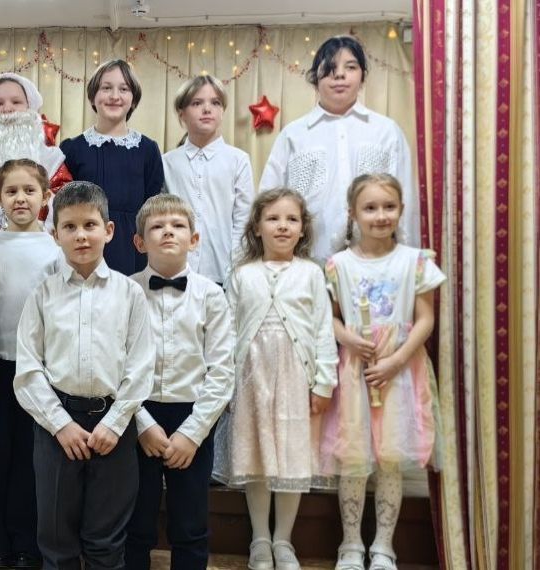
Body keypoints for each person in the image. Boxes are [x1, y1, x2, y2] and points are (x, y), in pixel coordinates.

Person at [14, 181, 154, 569]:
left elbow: (140, 366)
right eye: (70, 226)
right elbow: (28, 369)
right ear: (54, 234)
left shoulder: (130, 294)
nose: (80, 235)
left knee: (106, 541)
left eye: (90, 225)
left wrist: (115, 422)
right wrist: (60, 425)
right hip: (57, 426)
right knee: (56, 541)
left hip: (114, 426)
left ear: (108, 231)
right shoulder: (42, 295)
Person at [317, 173, 444, 570]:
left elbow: (425, 318)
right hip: (356, 371)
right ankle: (351, 544)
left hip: (400, 371)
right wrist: (349, 339)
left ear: (401, 210)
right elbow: (329, 318)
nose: (380, 215)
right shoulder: (339, 264)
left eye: (389, 207)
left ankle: (384, 546)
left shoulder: (415, 261)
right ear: (353, 213)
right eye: (370, 208)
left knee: (390, 459)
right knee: (354, 460)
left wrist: (396, 360)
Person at [213, 188, 337, 570]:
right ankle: (260, 539)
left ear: (303, 229)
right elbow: (227, 331)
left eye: (291, 219)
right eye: (273, 218)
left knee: (291, 458)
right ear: (257, 227)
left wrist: (324, 383)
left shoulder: (311, 273)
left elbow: (323, 330)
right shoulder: (242, 275)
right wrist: (226, 384)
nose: (282, 226)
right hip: (252, 378)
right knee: (256, 455)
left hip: (296, 380)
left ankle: (283, 539)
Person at [124, 194, 235, 570]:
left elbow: (222, 370)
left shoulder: (212, 296)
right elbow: (116, 365)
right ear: (140, 242)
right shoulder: (126, 292)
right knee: (136, 519)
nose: (168, 231)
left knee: (190, 521)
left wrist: (193, 432)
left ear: (195, 238)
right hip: (136, 413)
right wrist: (141, 423)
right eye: (157, 226)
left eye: (178, 225)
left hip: (194, 415)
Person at [0, 159, 63, 568]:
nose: (20, 198)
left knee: (30, 459)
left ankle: (27, 544)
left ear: (46, 196)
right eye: (11, 191)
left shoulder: (56, 249)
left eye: (29, 190)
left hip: (38, 369)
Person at [259, 35, 418, 263]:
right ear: (315, 78)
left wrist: (408, 261)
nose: (340, 75)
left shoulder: (386, 132)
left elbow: (407, 201)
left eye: (350, 67)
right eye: (330, 68)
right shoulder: (293, 135)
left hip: (377, 262)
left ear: (362, 76)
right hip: (307, 263)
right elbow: (268, 201)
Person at [60, 60, 165, 275]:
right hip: (84, 247)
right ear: (93, 96)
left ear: (133, 99)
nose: (115, 96)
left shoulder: (148, 149)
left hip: (134, 251)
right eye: (106, 88)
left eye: (124, 89)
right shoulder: (72, 149)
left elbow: (154, 208)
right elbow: (63, 208)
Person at [161, 74, 254, 285]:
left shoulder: (238, 161)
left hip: (224, 273)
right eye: (197, 103)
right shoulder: (167, 163)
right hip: (176, 272)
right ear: (182, 113)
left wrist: (235, 271)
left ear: (222, 111)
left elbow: (243, 220)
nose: (207, 109)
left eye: (215, 103)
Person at [0, 72, 71, 236]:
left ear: (29, 108)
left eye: (16, 102)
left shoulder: (50, 157)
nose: (7, 109)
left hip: (37, 241)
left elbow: (66, 201)